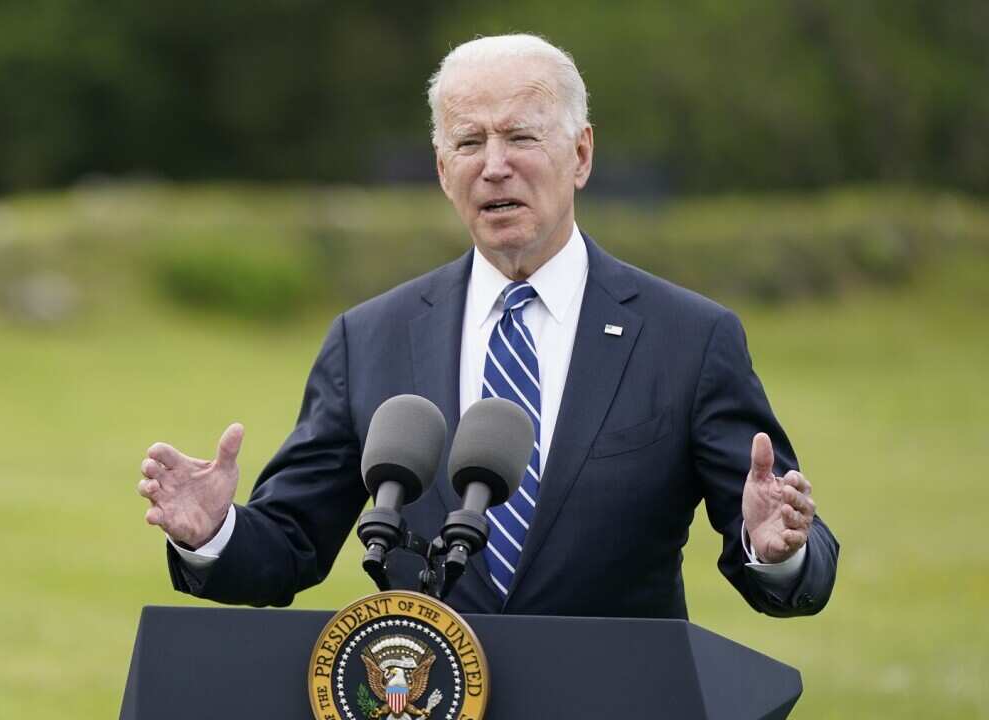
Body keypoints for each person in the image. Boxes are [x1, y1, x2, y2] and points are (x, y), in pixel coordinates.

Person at [137, 34, 838, 618]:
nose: (494, 166)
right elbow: (289, 543)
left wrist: (777, 547)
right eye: (469, 142)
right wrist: (215, 532)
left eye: (521, 136)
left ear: (582, 155)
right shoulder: (369, 338)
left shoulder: (689, 337)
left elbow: (784, 545)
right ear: (444, 170)